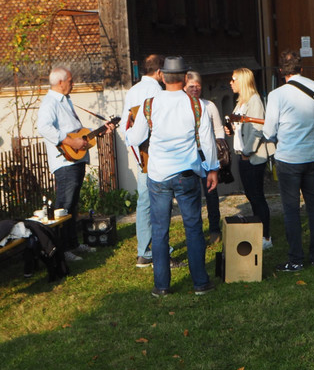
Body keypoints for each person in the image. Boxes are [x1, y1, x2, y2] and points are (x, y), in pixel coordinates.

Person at [126, 56, 219, 297]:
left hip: (158, 175)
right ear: (185, 77)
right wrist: (212, 169)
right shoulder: (196, 105)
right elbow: (207, 141)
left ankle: (162, 286)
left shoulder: (149, 105)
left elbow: (135, 138)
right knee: (193, 227)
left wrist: (127, 135)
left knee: (159, 230)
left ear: (164, 77)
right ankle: (200, 283)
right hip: (187, 173)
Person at [36, 66, 114, 263]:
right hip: (64, 162)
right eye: (70, 80)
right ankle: (61, 250)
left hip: (75, 161)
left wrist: (98, 132)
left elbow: (77, 132)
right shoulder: (50, 102)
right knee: (63, 207)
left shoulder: (66, 100)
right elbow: (44, 127)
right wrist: (70, 142)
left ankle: (72, 244)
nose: (73, 83)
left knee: (72, 206)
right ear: (60, 82)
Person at [264, 50, 314, 272]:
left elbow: (269, 132)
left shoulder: (277, 95)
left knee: (291, 210)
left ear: (281, 71)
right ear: (300, 68)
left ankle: (296, 259)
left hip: (289, 158)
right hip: (312, 155)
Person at [122, 54, 164, 268]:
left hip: (139, 151)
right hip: (154, 151)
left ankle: (143, 250)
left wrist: (134, 149)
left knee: (144, 202)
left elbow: (125, 124)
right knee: (158, 202)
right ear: (159, 72)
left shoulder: (133, 90)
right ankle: (154, 250)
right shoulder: (157, 91)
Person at [228, 68, 273, 250]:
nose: (231, 83)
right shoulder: (241, 101)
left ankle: (266, 236)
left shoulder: (254, 101)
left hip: (253, 157)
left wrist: (247, 152)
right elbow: (240, 126)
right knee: (251, 196)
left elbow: (257, 130)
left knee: (257, 196)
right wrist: (231, 129)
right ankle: (258, 231)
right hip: (243, 155)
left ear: (243, 81)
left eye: (234, 79)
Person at [185, 71, 225, 242]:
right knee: (192, 196)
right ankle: (195, 232)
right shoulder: (182, 107)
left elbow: (219, 129)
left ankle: (214, 229)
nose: (195, 89)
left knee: (211, 193)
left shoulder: (209, 106)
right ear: (184, 87)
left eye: (198, 86)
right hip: (189, 156)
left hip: (207, 155)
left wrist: (220, 148)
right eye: (191, 86)